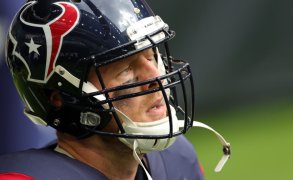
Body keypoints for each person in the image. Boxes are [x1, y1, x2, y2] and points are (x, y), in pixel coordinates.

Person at [0, 0, 231, 179]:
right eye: (126, 69)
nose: (155, 76)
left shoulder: (178, 159)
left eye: (152, 56)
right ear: (62, 98)